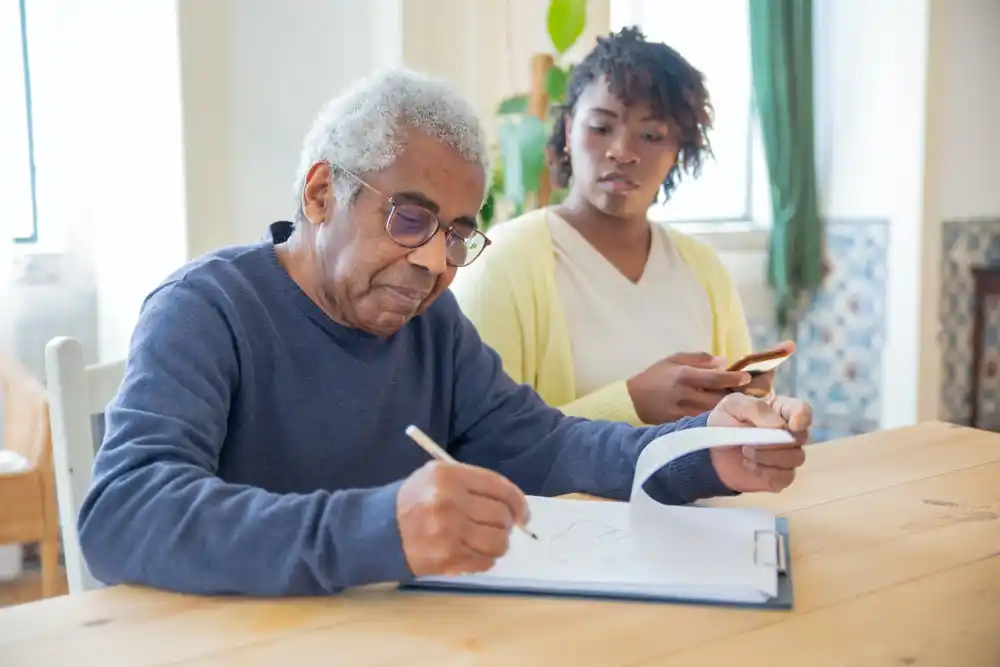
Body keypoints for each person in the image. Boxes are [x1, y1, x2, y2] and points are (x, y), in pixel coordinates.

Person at [76, 67, 811, 598]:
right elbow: (124, 511)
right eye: (409, 217)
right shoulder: (207, 310)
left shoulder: (430, 321)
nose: (433, 261)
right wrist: (372, 528)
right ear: (322, 192)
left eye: (457, 233)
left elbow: (548, 443)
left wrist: (707, 450)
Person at [451, 27, 793, 428]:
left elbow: (734, 419)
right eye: (601, 127)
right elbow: (481, 438)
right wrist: (630, 403)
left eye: (651, 135)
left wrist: (761, 410)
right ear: (567, 132)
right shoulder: (501, 263)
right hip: (557, 495)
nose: (622, 152)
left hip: (693, 491)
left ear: (678, 154)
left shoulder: (703, 269)